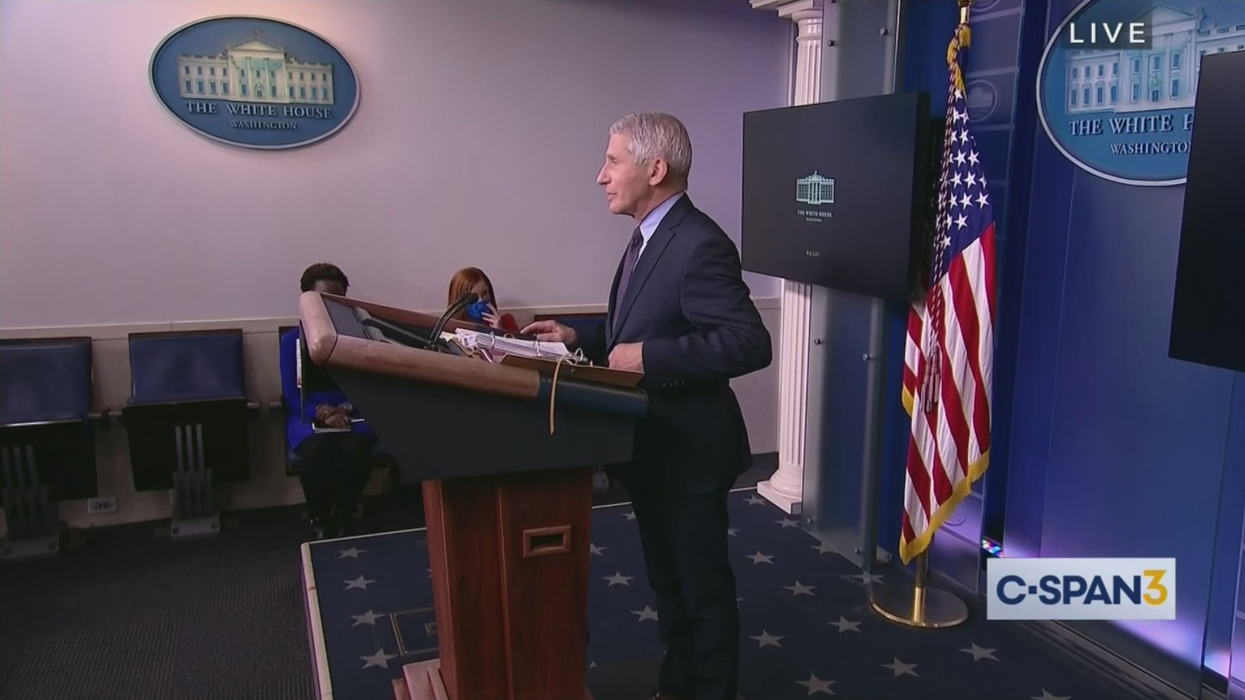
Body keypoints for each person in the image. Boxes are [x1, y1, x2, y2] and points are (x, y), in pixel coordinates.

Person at [523, 113, 772, 700]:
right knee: (668, 585)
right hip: (652, 451)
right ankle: (678, 685)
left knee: (702, 592)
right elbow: (634, 327)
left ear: (655, 168)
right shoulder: (648, 237)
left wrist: (651, 360)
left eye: (612, 161)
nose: (600, 176)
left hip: (690, 455)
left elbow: (749, 342)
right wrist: (578, 337)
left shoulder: (700, 242)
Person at [280, 263, 377, 540]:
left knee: (354, 448)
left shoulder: (356, 339)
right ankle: (320, 517)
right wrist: (321, 412)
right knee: (315, 449)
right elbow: (290, 394)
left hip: (352, 410)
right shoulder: (292, 342)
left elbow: (365, 386)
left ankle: (346, 513)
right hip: (307, 412)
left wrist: (344, 407)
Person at [447, 266, 519, 333]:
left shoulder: (507, 322)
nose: (481, 300)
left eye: (484, 293)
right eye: (474, 298)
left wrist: (499, 333)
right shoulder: (451, 331)